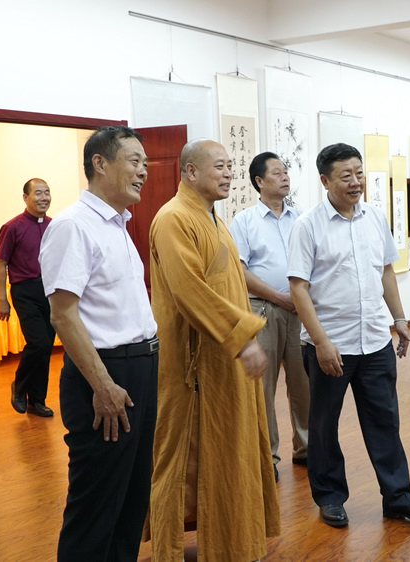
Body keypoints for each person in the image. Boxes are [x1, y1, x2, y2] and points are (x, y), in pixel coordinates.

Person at [288, 142, 410, 528]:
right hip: (331, 343)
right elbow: (299, 288)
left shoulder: (374, 216)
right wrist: (320, 341)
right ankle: (330, 497)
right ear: (325, 180)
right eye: (345, 176)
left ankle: (399, 498)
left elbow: (386, 271)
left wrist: (400, 319)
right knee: (323, 426)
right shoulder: (308, 226)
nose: (356, 182)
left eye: (359, 173)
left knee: (385, 421)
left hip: (374, 339)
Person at [148, 139, 280, 562]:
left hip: (227, 357)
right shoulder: (173, 219)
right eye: (219, 166)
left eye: (230, 167)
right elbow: (190, 291)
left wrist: (244, 341)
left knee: (230, 449)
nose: (228, 173)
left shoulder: (213, 219)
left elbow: (231, 285)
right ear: (189, 172)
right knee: (183, 455)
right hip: (196, 362)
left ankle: (232, 541)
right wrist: (241, 338)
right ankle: (172, 550)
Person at [40, 126, 159, 561]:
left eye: (145, 163)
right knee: (95, 506)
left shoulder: (117, 224)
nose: (144, 171)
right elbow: (63, 314)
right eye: (134, 161)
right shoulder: (74, 226)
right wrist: (103, 386)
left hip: (139, 370)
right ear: (100, 163)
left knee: (130, 499)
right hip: (105, 375)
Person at [229, 151, 310, 478]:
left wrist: (300, 299)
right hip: (262, 310)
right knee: (263, 389)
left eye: (286, 171)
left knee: (303, 383)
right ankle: (267, 458)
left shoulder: (301, 218)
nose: (285, 177)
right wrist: (279, 296)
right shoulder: (244, 222)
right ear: (259, 181)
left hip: (300, 311)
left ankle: (307, 449)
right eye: (277, 173)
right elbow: (240, 271)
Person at [0, 178, 56, 417]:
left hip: (50, 291)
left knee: (46, 347)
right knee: (38, 343)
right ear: (26, 198)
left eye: (47, 193)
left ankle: (36, 401)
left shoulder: (54, 225)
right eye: (38, 193)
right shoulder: (12, 227)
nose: (44, 198)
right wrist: (2, 299)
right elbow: (1, 264)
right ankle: (19, 386)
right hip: (25, 291)